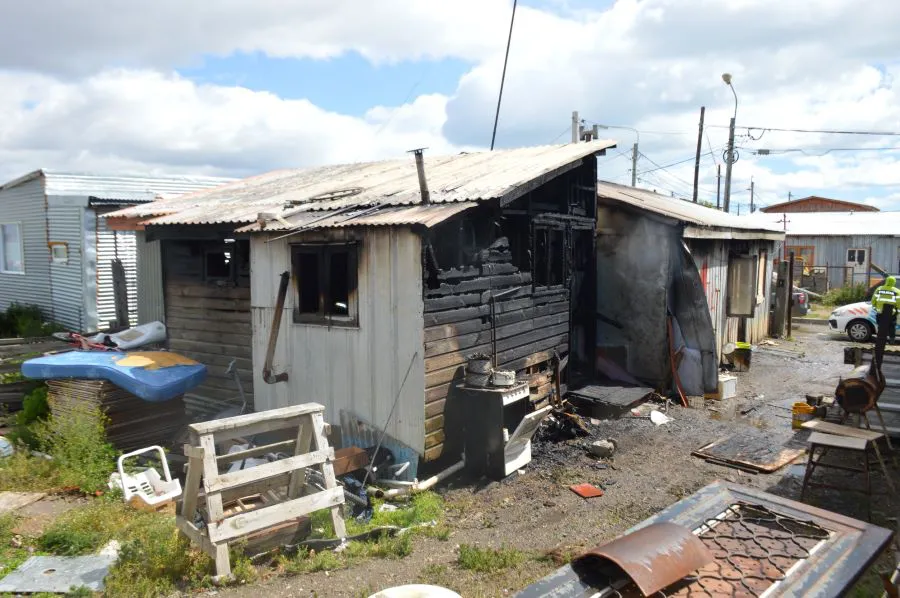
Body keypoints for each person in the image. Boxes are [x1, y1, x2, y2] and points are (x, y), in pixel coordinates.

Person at [872, 275, 900, 343]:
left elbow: (873, 300)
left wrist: (875, 307)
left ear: (886, 281)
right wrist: (898, 311)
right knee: (891, 327)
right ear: (894, 282)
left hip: (880, 312)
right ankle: (892, 341)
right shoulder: (896, 291)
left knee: (881, 326)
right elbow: (899, 303)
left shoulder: (879, 289)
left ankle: (880, 340)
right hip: (891, 313)